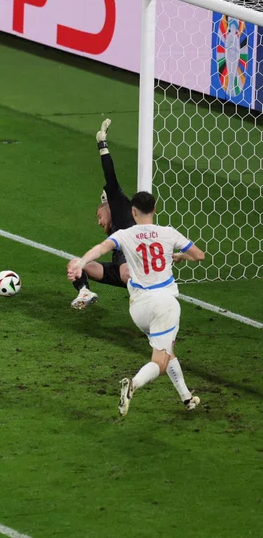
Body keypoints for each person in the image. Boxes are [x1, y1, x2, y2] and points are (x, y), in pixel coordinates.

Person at [68, 191, 206, 416]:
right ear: (155, 210)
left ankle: (187, 398)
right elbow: (199, 255)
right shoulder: (168, 233)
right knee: (160, 362)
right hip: (164, 304)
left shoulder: (124, 234)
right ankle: (133, 384)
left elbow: (100, 249)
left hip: (138, 308)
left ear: (133, 212)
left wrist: (80, 264)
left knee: (166, 348)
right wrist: (182, 256)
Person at [69, 119, 133, 310]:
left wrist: (102, 145)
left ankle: (146, 302)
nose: (99, 222)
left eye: (99, 216)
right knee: (75, 264)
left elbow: (110, 176)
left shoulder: (121, 209)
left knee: (126, 273)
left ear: (108, 205)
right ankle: (84, 292)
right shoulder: (115, 229)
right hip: (119, 267)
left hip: (132, 267)